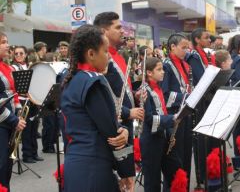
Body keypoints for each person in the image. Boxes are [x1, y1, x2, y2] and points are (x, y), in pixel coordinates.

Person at [61, 25, 128, 192]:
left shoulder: (68, 78)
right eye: (105, 52)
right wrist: (126, 171)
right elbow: (111, 132)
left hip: (74, 163)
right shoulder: (94, 82)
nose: (108, 57)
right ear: (91, 54)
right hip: (94, 166)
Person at [94, 12, 143, 191]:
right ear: (103, 31)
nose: (122, 31)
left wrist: (136, 96)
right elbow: (101, 99)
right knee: (121, 181)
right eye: (117, 27)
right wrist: (127, 112)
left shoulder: (119, 56)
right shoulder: (101, 59)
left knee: (128, 178)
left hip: (126, 126)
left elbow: (121, 91)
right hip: (114, 127)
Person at [140, 57, 181, 192]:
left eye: (162, 69)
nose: (163, 72)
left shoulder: (158, 88)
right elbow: (150, 119)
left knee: (175, 170)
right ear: (149, 73)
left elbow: (162, 112)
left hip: (163, 137)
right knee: (153, 182)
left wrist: (170, 134)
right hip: (151, 141)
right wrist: (173, 118)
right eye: (159, 69)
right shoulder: (144, 91)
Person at [186, 28, 216, 187]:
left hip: (208, 100)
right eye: (206, 37)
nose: (209, 40)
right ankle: (202, 175)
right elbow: (202, 78)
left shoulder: (205, 54)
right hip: (200, 103)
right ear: (197, 40)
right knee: (201, 140)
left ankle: (211, 170)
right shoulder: (194, 56)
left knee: (210, 138)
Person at [161, 34, 191, 188]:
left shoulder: (184, 65)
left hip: (184, 114)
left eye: (187, 47)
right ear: (172, 47)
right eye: (183, 47)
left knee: (185, 154)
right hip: (174, 117)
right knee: (176, 158)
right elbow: (165, 95)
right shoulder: (166, 65)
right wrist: (187, 97)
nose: (186, 50)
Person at [0, 32, 26, 190]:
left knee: (7, 167)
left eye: (7, 41)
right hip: (2, 124)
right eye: (3, 42)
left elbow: (12, 93)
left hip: (9, 123)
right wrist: (14, 120)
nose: (7, 45)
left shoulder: (7, 66)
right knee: (1, 166)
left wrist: (19, 113)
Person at [11, 46, 43, 163]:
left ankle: (34, 153)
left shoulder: (28, 66)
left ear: (25, 55)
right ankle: (27, 154)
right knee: (27, 129)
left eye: (21, 53)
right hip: (21, 100)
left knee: (34, 127)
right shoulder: (13, 67)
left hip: (31, 100)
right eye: (16, 54)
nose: (18, 55)